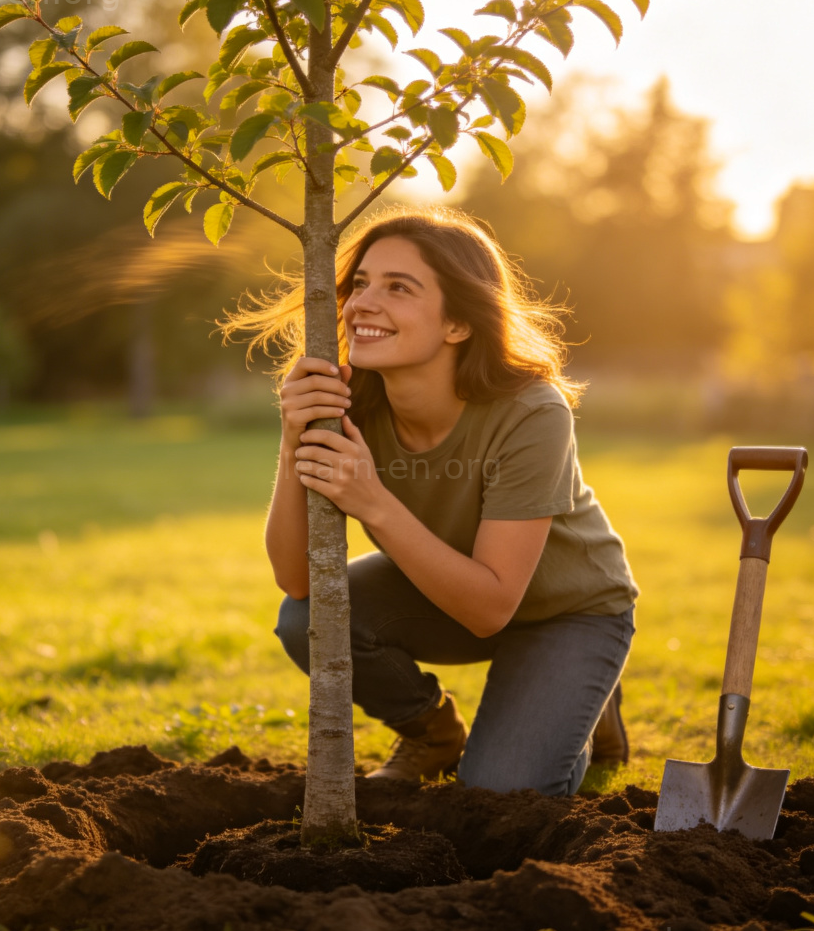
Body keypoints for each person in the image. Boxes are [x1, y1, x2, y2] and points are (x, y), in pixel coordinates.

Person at [227, 207, 637, 796]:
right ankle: (433, 732)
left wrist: (374, 503)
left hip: (567, 610)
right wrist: (294, 438)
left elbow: (492, 606)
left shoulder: (532, 412)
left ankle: (586, 692)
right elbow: (296, 580)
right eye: (361, 284)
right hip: (445, 591)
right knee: (308, 619)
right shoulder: (348, 404)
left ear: (459, 324)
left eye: (399, 288)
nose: (362, 303)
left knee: (501, 794)